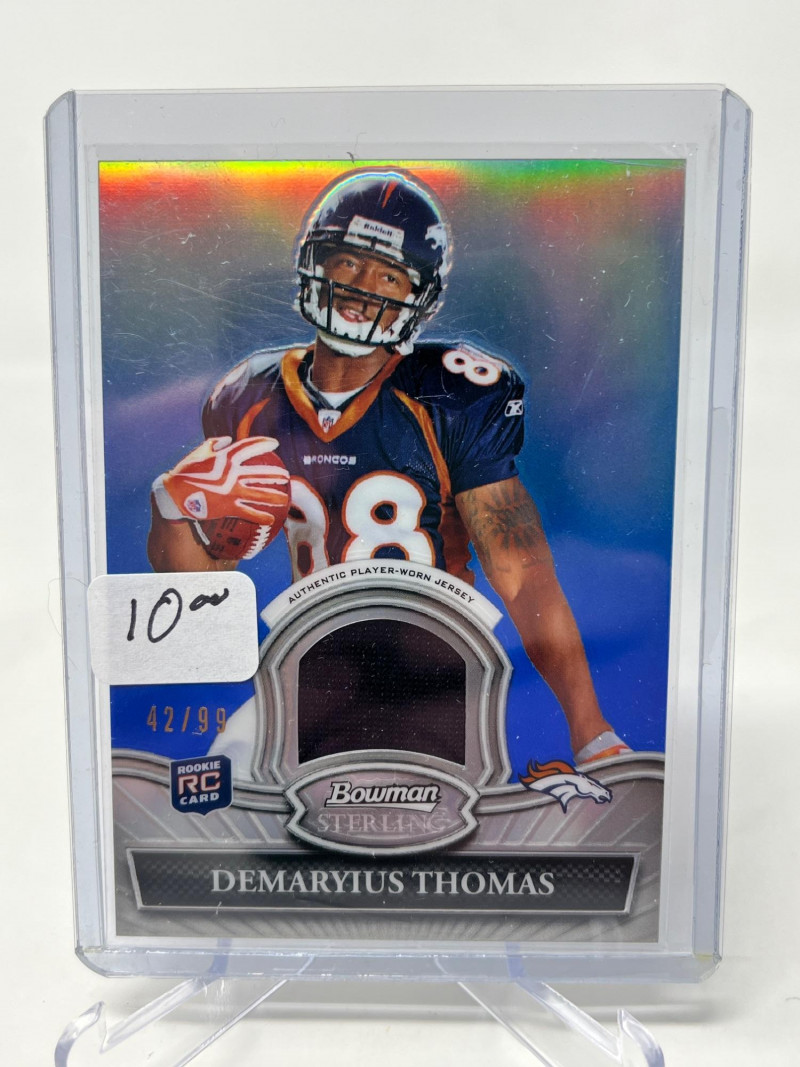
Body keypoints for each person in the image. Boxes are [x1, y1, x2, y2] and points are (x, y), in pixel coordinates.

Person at [148, 168, 627, 765]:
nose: (362, 288)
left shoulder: (450, 395)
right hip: (312, 669)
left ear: (418, 296)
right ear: (315, 263)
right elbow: (201, 590)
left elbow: (523, 575)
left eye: (389, 275)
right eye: (348, 262)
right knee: (233, 766)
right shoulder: (249, 395)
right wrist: (171, 509)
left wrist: (591, 730)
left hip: (430, 676)